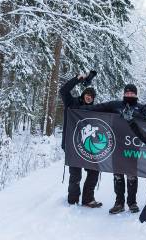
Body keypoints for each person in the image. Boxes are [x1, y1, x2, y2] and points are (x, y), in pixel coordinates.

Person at [87, 83, 146, 214]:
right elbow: (98, 108)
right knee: (118, 174)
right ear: (124, 94)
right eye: (127, 93)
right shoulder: (115, 105)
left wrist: (135, 117)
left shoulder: (141, 108)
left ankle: (132, 202)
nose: (129, 95)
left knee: (132, 175)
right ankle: (119, 203)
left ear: (136, 94)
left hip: (132, 146)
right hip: (116, 144)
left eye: (132, 93)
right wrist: (78, 109)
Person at [59, 71, 102, 208]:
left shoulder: (95, 110)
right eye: (87, 95)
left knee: (94, 171)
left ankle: (88, 199)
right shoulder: (71, 103)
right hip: (72, 144)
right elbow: (63, 91)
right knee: (75, 175)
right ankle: (73, 200)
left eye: (92, 96)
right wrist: (77, 79)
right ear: (83, 95)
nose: (89, 97)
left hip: (89, 147)